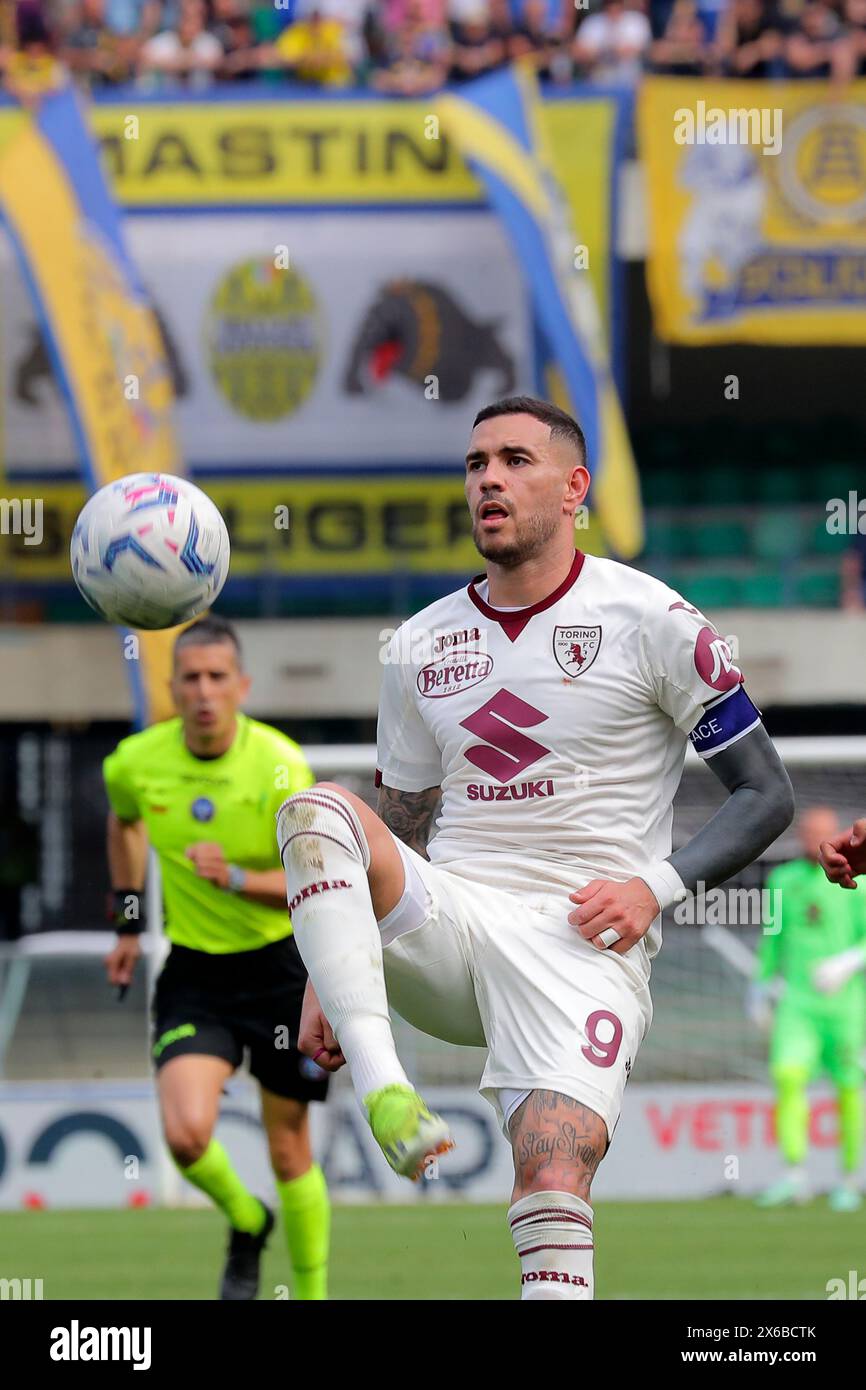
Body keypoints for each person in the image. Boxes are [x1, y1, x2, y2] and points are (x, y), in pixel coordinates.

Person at [277, 395, 794, 1300]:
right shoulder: (420, 643)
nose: (489, 480)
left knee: (553, 1188)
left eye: (515, 461)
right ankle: (385, 1087)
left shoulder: (655, 619)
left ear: (574, 488)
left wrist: (655, 886)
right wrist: (328, 974)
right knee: (317, 810)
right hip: (455, 922)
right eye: (477, 465)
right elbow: (395, 825)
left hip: (582, 944)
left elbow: (768, 793)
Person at [103, 616, 330, 1300]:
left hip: (281, 971)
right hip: (196, 974)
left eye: (216, 678)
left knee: (289, 1148)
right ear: (171, 688)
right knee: (186, 1135)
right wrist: (127, 925)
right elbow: (125, 821)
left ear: (242, 685)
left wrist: (233, 876)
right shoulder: (134, 762)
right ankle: (245, 1216)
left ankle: (313, 1297)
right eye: (190, 679)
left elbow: (315, 886)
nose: (203, 691)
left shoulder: (283, 765)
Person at [750, 807, 866, 1212]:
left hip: (846, 1004)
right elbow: (772, 938)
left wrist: (847, 963)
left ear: (835, 835)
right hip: (797, 1004)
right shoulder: (783, 881)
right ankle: (794, 1176)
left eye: (821, 832)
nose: (812, 839)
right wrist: (761, 986)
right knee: (787, 1077)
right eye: (806, 832)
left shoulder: (857, 880)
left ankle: (850, 1180)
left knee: (849, 1087)